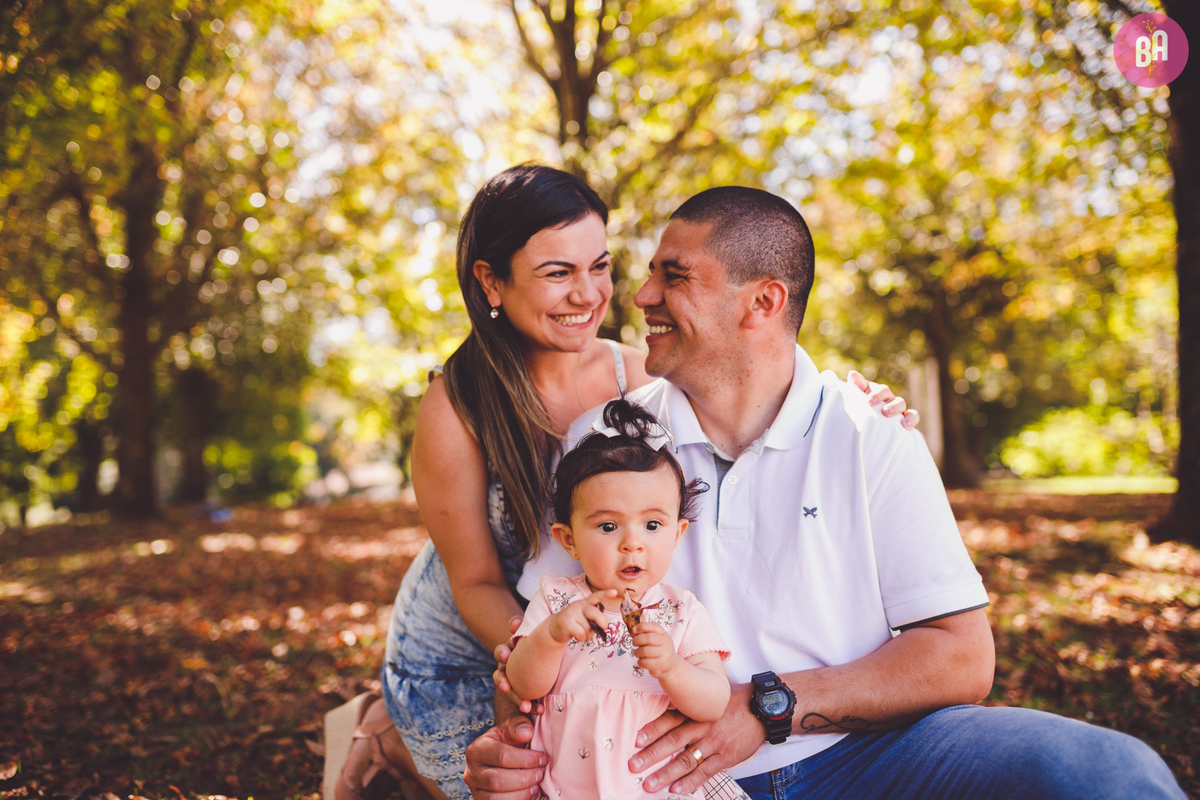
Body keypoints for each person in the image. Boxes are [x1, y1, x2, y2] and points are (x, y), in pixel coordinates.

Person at [463, 186, 1188, 800]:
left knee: (1110, 772)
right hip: (657, 774)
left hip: (870, 757)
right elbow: (537, 651)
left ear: (763, 302)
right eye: (649, 272)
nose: (642, 295)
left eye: (674, 276)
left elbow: (962, 657)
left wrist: (766, 707)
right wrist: (513, 743)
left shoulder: (869, 432)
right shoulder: (607, 437)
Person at [328, 168, 916, 800]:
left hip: (587, 635)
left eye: (600, 265)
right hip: (477, 640)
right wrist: (546, 659)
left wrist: (858, 400)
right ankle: (384, 737)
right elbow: (473, 582)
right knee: (511, 785)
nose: (589, 294)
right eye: (557, 273)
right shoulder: (457, 404)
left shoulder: (639, 375)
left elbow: (756, 369)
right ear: (490, 280)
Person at [507, 397, 745, 800]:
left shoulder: (680, 610)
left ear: (677, 534)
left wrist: (672, 668)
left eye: (652, 524)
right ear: (569, 540)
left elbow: (713, 701)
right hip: (571, 787)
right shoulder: (556, 599)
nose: (632, 543)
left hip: (661, 788)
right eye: (608, 525)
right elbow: (523, 685)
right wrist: (551, 635)